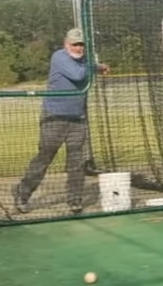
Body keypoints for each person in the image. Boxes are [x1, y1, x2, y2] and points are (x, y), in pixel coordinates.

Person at [14, 28, 109, 215]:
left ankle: (75, 200)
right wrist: (94, 67)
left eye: (81, 44)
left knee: (76, 162)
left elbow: (86, 68)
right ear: (66, 45)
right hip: (54, 117)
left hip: (77, 119)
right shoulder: (59, 57)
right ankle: (22, 195)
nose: (79, 48)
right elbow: (78, 75)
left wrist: (98, 66)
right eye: (75, 44)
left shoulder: (84, 60)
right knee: (44, 158)